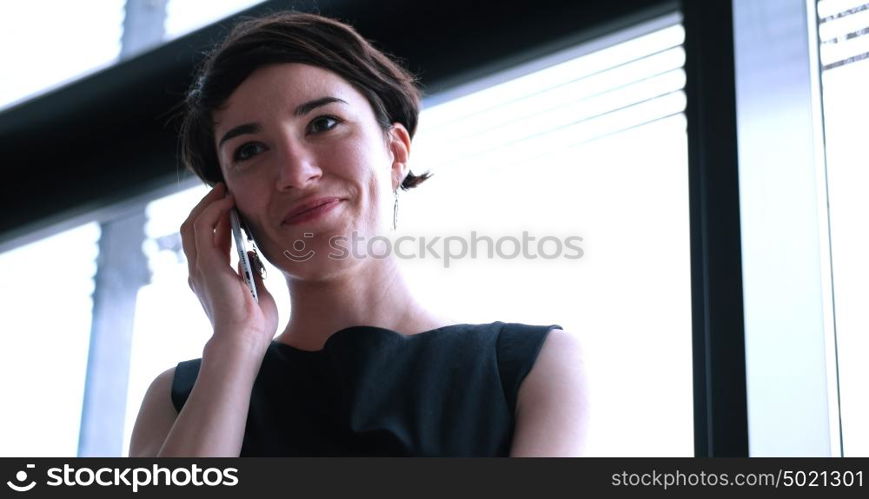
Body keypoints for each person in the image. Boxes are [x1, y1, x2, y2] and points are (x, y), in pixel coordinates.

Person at [128, 11, 587, 457]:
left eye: (323, 123)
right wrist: (235, 343)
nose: (295, 172)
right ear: (225, 205)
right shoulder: (179, 400)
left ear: (394, 151)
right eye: (250, 150)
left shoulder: (530, 368)